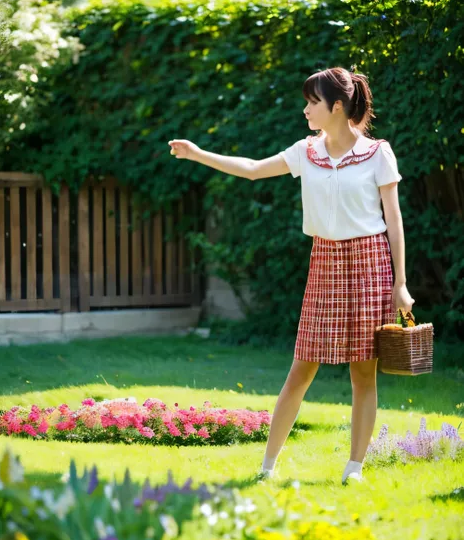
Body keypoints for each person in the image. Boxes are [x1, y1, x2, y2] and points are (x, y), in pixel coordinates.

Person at [167, 66, 414, 486]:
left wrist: (401, 283)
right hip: (325, 260)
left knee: (363, 371)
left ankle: (354, 468)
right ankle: (266, 467)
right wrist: (198, 153)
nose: (305, 110)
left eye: (312, 102)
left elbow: (394, 218)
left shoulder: (378, 154)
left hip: (371, 261)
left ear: (337, 106)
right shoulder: (307, 151)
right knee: (301, 366)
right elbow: (251, 168)